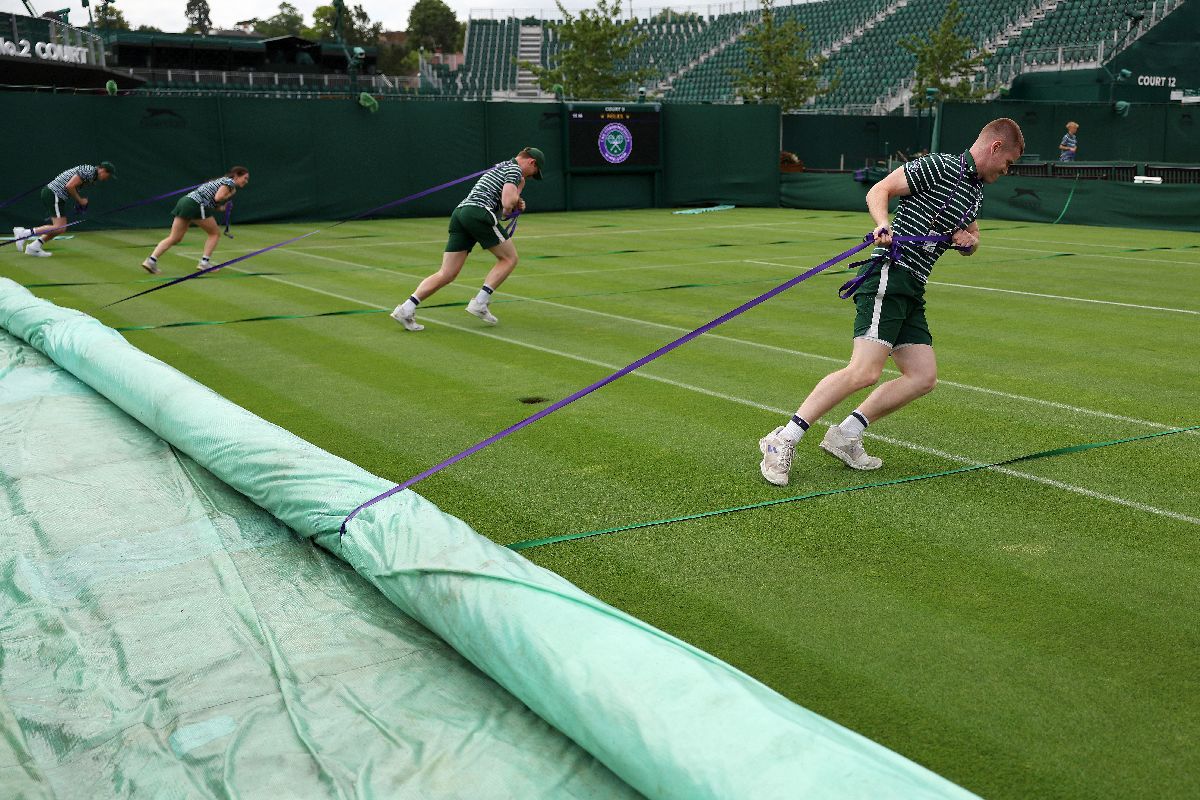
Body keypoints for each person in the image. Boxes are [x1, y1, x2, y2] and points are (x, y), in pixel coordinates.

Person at [758, 118, 1025, 486]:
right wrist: (883, 223)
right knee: (864, 371)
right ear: (995, 148)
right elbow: (878, 190)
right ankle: (781, 439)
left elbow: (972, 236)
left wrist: (970, 242)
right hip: (890, 273)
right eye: (1008, 163)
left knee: (922, 377)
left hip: (913, 286)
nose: (1006, 171)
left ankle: (845, 435)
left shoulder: (975, 192)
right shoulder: (940, 165)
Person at [390, 147, 545, 331]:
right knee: (509, 258)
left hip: (460, 213)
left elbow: (505, 207)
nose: (530, 177)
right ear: (531, 162)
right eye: (534, 173)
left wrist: (515, 199)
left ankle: (406, 309)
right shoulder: (514, 170)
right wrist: (517, 197)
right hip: (478, 212)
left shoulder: (501, 167)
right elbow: (506, 206)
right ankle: (480, 302)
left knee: (447, 273)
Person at [141, 167, 250, 275]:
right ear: (236, 176)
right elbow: (218, 197)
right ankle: (204, 263)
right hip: (195, 205)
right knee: (214, 234)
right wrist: (229, 195)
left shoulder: (222, 182)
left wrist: (223, 208)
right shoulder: (229, 182)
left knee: (175, 238)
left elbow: (211, 201)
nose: (246, 181)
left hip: (185, 202)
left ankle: (151, 261)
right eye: (244, 178)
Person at [12, 161, 116, 258]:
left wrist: (79, 201)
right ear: (102, 170)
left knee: (61, 228)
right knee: (59, 227)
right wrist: (80, 200)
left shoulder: (91, 175)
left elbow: (71, 186)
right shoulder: (89, 171)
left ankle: (34, 247)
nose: (107, 178)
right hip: (54, 194)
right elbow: (69, 186)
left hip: (55, 195)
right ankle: (24, 233)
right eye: (108, 175)